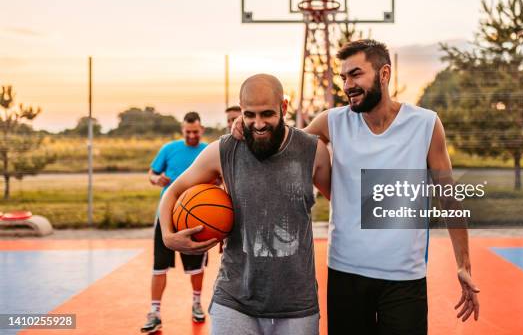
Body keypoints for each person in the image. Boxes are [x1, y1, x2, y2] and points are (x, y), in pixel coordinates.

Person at [233, 39, 480, 334]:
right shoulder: (332, 122)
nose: (348, 84)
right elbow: (282, 148)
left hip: (404, 278)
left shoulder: (425, 124)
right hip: (346, 274)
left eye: (356, 74)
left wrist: (463, 264)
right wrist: (245, 127)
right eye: (344, 77)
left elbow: (449, 199)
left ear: (384, 74)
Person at [159, 74, 332, 335]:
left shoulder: (312, 151)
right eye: (249, 114)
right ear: (241, 111)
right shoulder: (225, 150)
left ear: (284, 108)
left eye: (267, 114)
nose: (258, 124)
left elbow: (342, 203)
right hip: (235, 300)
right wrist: (168, 237)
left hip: (297, 304)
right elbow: (173, 192)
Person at [141, 112, 209, 333]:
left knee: (196, 267)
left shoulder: (208, 151)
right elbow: (152, 173)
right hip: (167, 216)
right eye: (188, 132)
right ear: (182, 130)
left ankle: (197, 304)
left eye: (195, 132)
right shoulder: (169, 149)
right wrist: (156, 179)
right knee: (159, 266)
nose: (191, 135)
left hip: (197, 217)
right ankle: (154, 312)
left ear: (202, 130)